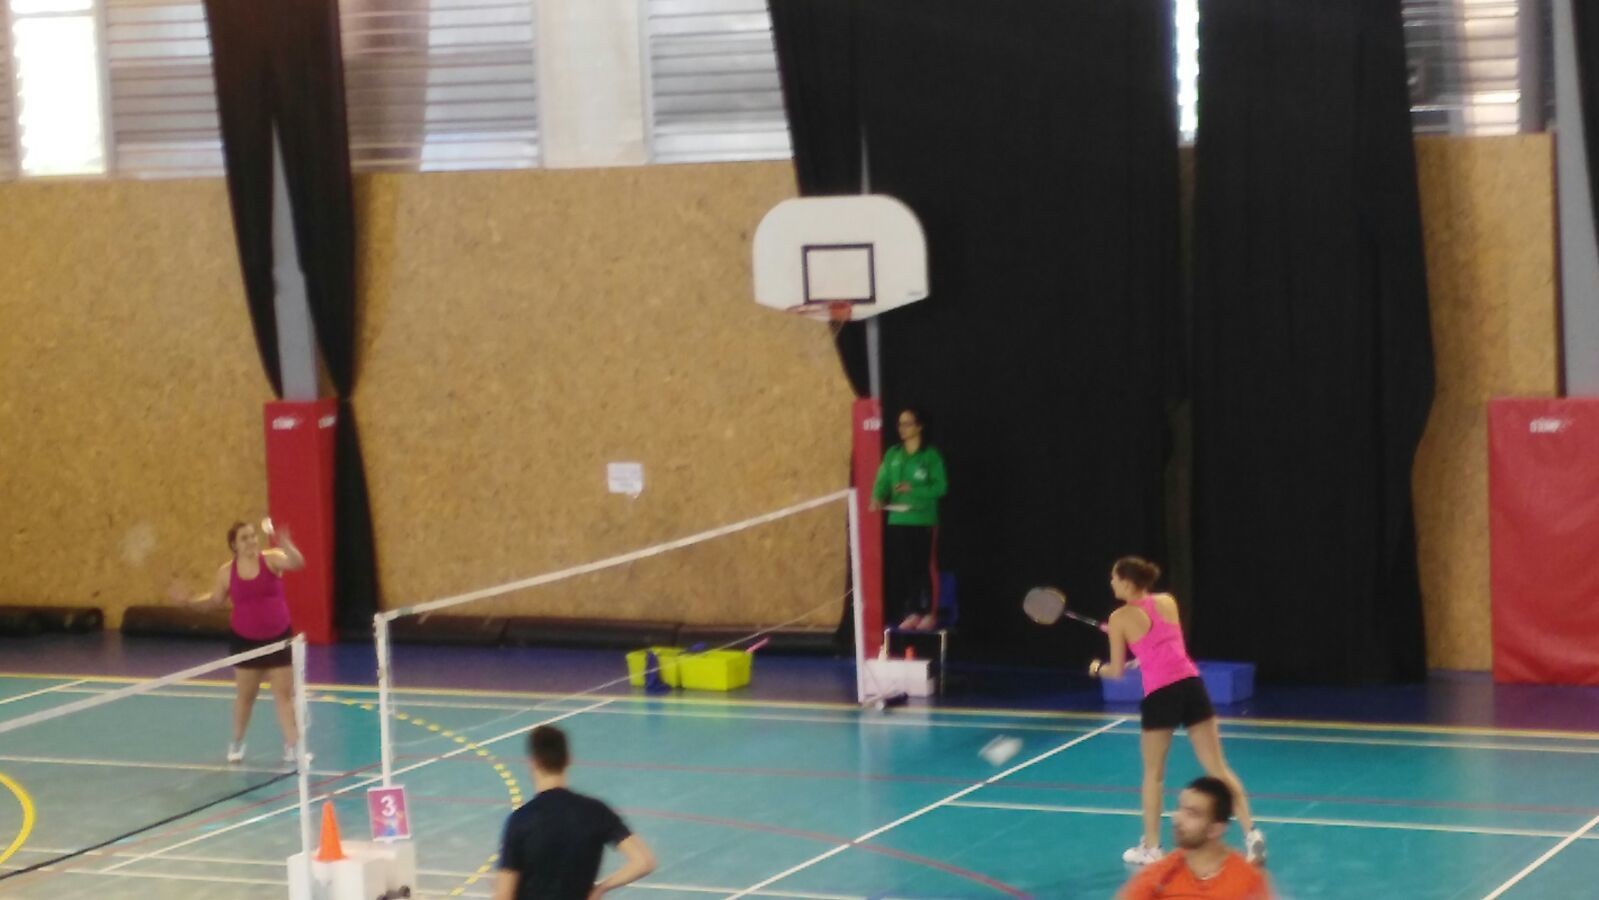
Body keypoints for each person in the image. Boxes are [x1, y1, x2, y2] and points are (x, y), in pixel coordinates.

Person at [1091, 556, 1266, 866]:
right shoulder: (1167, 601)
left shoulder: (1119, 618)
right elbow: (1166, 645)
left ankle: (1152, 848)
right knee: (1219, 768)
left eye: (1115, 578)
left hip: (1161, 696)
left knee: (1153, 775)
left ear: (1128, 582)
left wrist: (1097, 668)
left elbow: (1116, 671)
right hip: (1191, 686)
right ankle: (1251, 834)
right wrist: (1141, 656)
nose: (1111, 582)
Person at [170, 519, 304, 763]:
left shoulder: (272, 559)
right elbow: (214, 601)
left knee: (284, 695)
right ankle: (237, 742)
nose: (251, 541)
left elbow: (296, 563)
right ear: (234, 545)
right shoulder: (226, 573)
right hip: (246, 641)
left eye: (252, 536)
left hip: (279, 638)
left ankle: (293, 746)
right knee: (246, 697)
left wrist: (287, 544)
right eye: (244, 538)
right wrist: (188, 603)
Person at [494, 725, 656, 900]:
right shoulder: (596, 811)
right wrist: (600, 889)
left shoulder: (521, 820)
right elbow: (644, 861)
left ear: (533, 763)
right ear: (568, 760)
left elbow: (504, 895)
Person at [1115, 777, 1273, 899]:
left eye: (1192, 814)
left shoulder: (1247, 880)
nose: (1177, 819)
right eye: (1179, 808)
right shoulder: (1157, 877)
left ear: (1215, 829)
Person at [869, 407, 948, 630]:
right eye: (900, 424)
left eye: (907, 424)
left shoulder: (930, 455)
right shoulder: (893, 454)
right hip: (898, 519)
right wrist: (877, 497)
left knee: (924, 566)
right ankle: (913, 611)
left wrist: (913, 489)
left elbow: (941, 487)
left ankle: (928, 612)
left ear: (919, 427)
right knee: (906, 567)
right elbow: (882, 480)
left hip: (923, 519)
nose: (902, 429)